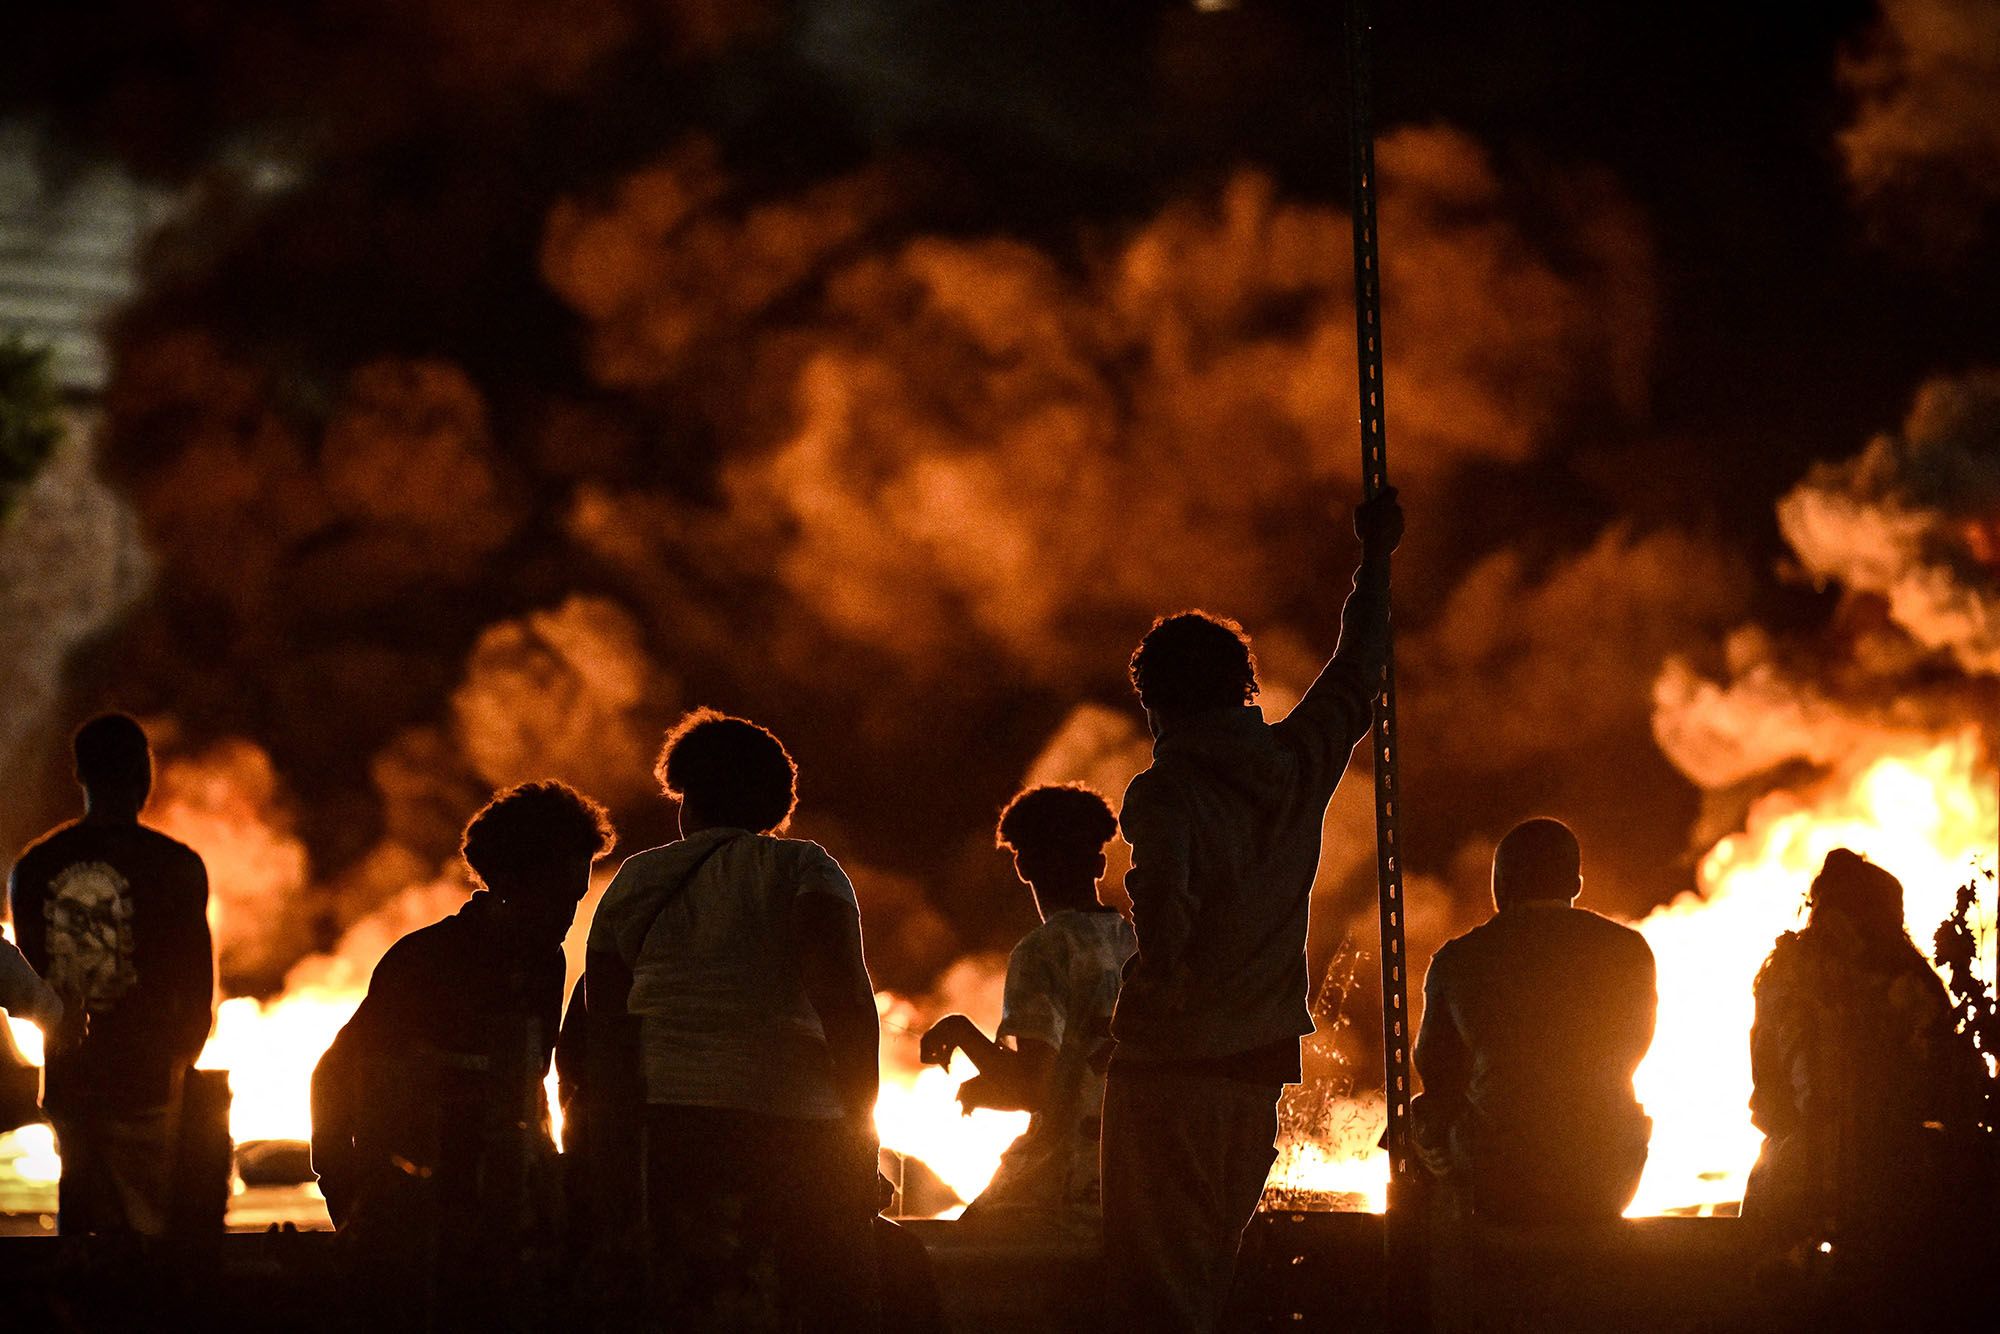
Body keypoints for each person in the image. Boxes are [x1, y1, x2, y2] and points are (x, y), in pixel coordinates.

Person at [1101, 489, 1401, 1332]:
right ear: (1242, 687)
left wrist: (1142, 1002)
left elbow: (1165, 923)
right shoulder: (1295, 765)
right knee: (1207, 1272)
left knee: (1149, 1285)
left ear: (1156, 703)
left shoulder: (1165, 793)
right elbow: (1357, 671)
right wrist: (1374, 560)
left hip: (1169, 1069)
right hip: (1257, 1065)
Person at [584, 708, 880, 1331]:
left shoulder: (635, 878)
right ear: (776, 802)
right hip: (791, 1125)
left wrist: (600, 1151)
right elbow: (845, 1002)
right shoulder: (805, 868)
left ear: (687, 797)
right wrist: (861, 1132)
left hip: (661, 1131)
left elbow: (599, 1024)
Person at [310, 780, 614, 1318]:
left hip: (511, 1218)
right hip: (425, 1218)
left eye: (577, 899)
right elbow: (335, 1074)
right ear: (510, 880)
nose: (569, 917)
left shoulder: (547, 962)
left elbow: (529, 1081)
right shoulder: (423, 961)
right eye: (559, 896)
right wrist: (348, 1191)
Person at [9, 713, 213, 1237]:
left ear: (80, 775)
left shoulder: (34, 868)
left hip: (69, 1080)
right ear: (144, 776)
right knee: (145, 1231)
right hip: (148, 1080)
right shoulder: (176, 866)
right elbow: (196, 988)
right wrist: (179, 1060)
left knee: (79, 1216)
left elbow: (31, 983)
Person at [1410, 818, 1657, 1224]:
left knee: (1414, 1122)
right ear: (1575, 885)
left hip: (1499, 1176)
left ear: (1499, 886)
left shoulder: (1458, 959)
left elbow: (1436, 1071)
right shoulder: (1631, 951)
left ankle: (1438, 1270)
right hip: (1607, 1173)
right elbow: (1635, 1046)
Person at [920, 783, 1134, 1242]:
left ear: (1022, 865)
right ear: (1099, 863)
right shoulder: (1133, 945)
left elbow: (1033, 1088)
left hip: (1054, 1185)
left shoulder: (1042, 950)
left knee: (949, 1256)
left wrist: (961, 1032)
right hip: (1127, 1183)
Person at [1743, 849, 1982, 1260]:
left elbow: (1768, 1100)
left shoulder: (1780, 978)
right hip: (1898, 1184)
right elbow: (1948, 1091)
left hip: (1791, 1183)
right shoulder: (1912, 982)